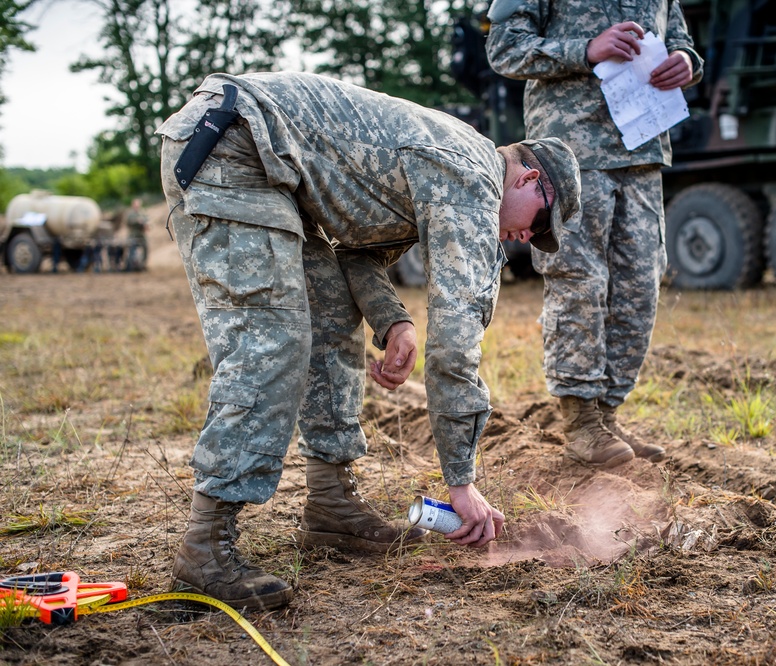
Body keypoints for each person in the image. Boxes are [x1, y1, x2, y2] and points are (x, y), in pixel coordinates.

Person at [156, 71, 581, 611]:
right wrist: (461, 482)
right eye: (538, 223)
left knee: (330, 325)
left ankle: (331, 504)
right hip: (235, 146)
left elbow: (358, 249)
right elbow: (454, 345)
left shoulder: (454, 163)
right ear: (528, 179)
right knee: (273, 341)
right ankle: (205, 548)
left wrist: (392, 320)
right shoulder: (474, 177)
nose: (527, 239)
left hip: (267, 163)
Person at [486, 0, 703, 467]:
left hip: (643, 148)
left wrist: (687, 63)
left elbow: (680, 40)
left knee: (638, 289)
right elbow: (504, 48)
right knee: (579, 282)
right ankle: (581, 421)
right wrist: (585, 50)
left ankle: (607, 415)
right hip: (571, 155)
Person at [125, 198, 149, 271]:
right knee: (132, 249)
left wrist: (145, 224)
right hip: (133, 234)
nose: (137, 206)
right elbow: (128, 223)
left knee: (145, 247)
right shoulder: (130, 214)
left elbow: (147, 221)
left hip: (141, 234)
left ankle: (143, 264)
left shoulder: (142, 212)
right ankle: (131, 265)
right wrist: (136, 221)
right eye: (136, 205)